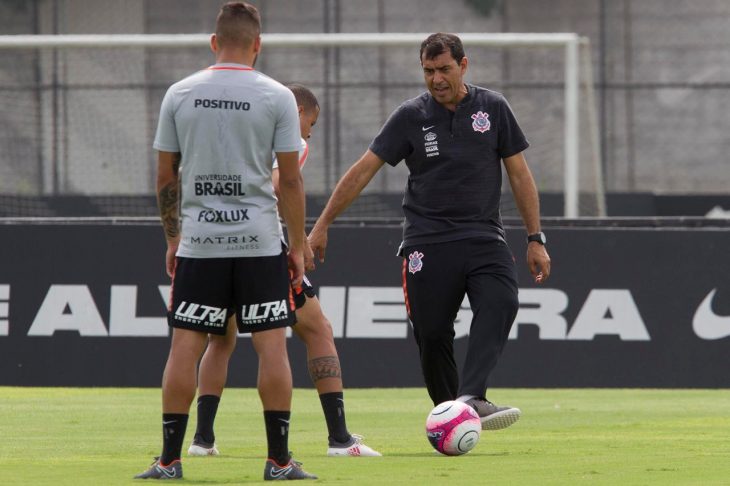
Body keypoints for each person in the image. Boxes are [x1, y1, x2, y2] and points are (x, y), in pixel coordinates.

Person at [308, 32, 551, 433]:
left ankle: (470, 397)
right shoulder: (410, 116)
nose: (436, 79)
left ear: (464, 65)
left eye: (444, 69)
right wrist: (321, 224)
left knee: (502, 301)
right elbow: (363, 170)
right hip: (427, 242)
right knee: (433, 333)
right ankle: (451, 415)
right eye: (428, 71)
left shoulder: (493, 107)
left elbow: (520, 175)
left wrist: (535, 237)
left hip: (483, 236)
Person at [135, 2, 316, 481]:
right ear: (257, 44)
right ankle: (278, 462)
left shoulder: (180, 93)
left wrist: (173, 237)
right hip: (259, 242)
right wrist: (296, 247)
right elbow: (292, 183)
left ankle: (169, 461)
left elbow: (164, 176)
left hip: (201, 242)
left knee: (185, 349)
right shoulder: (277, 96)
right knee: (271, 349)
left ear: (214, 42)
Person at [187, 84, 381, 459]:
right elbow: (281, 185)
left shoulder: (237, 130)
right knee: (315, 330)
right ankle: (339, 439)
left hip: (213, 238)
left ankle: (202, 440)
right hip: (261, 247)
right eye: (312, 121)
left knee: (220, 340)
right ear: (299, 111)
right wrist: (298, 241)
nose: (309, 132)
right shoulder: (289, 138)